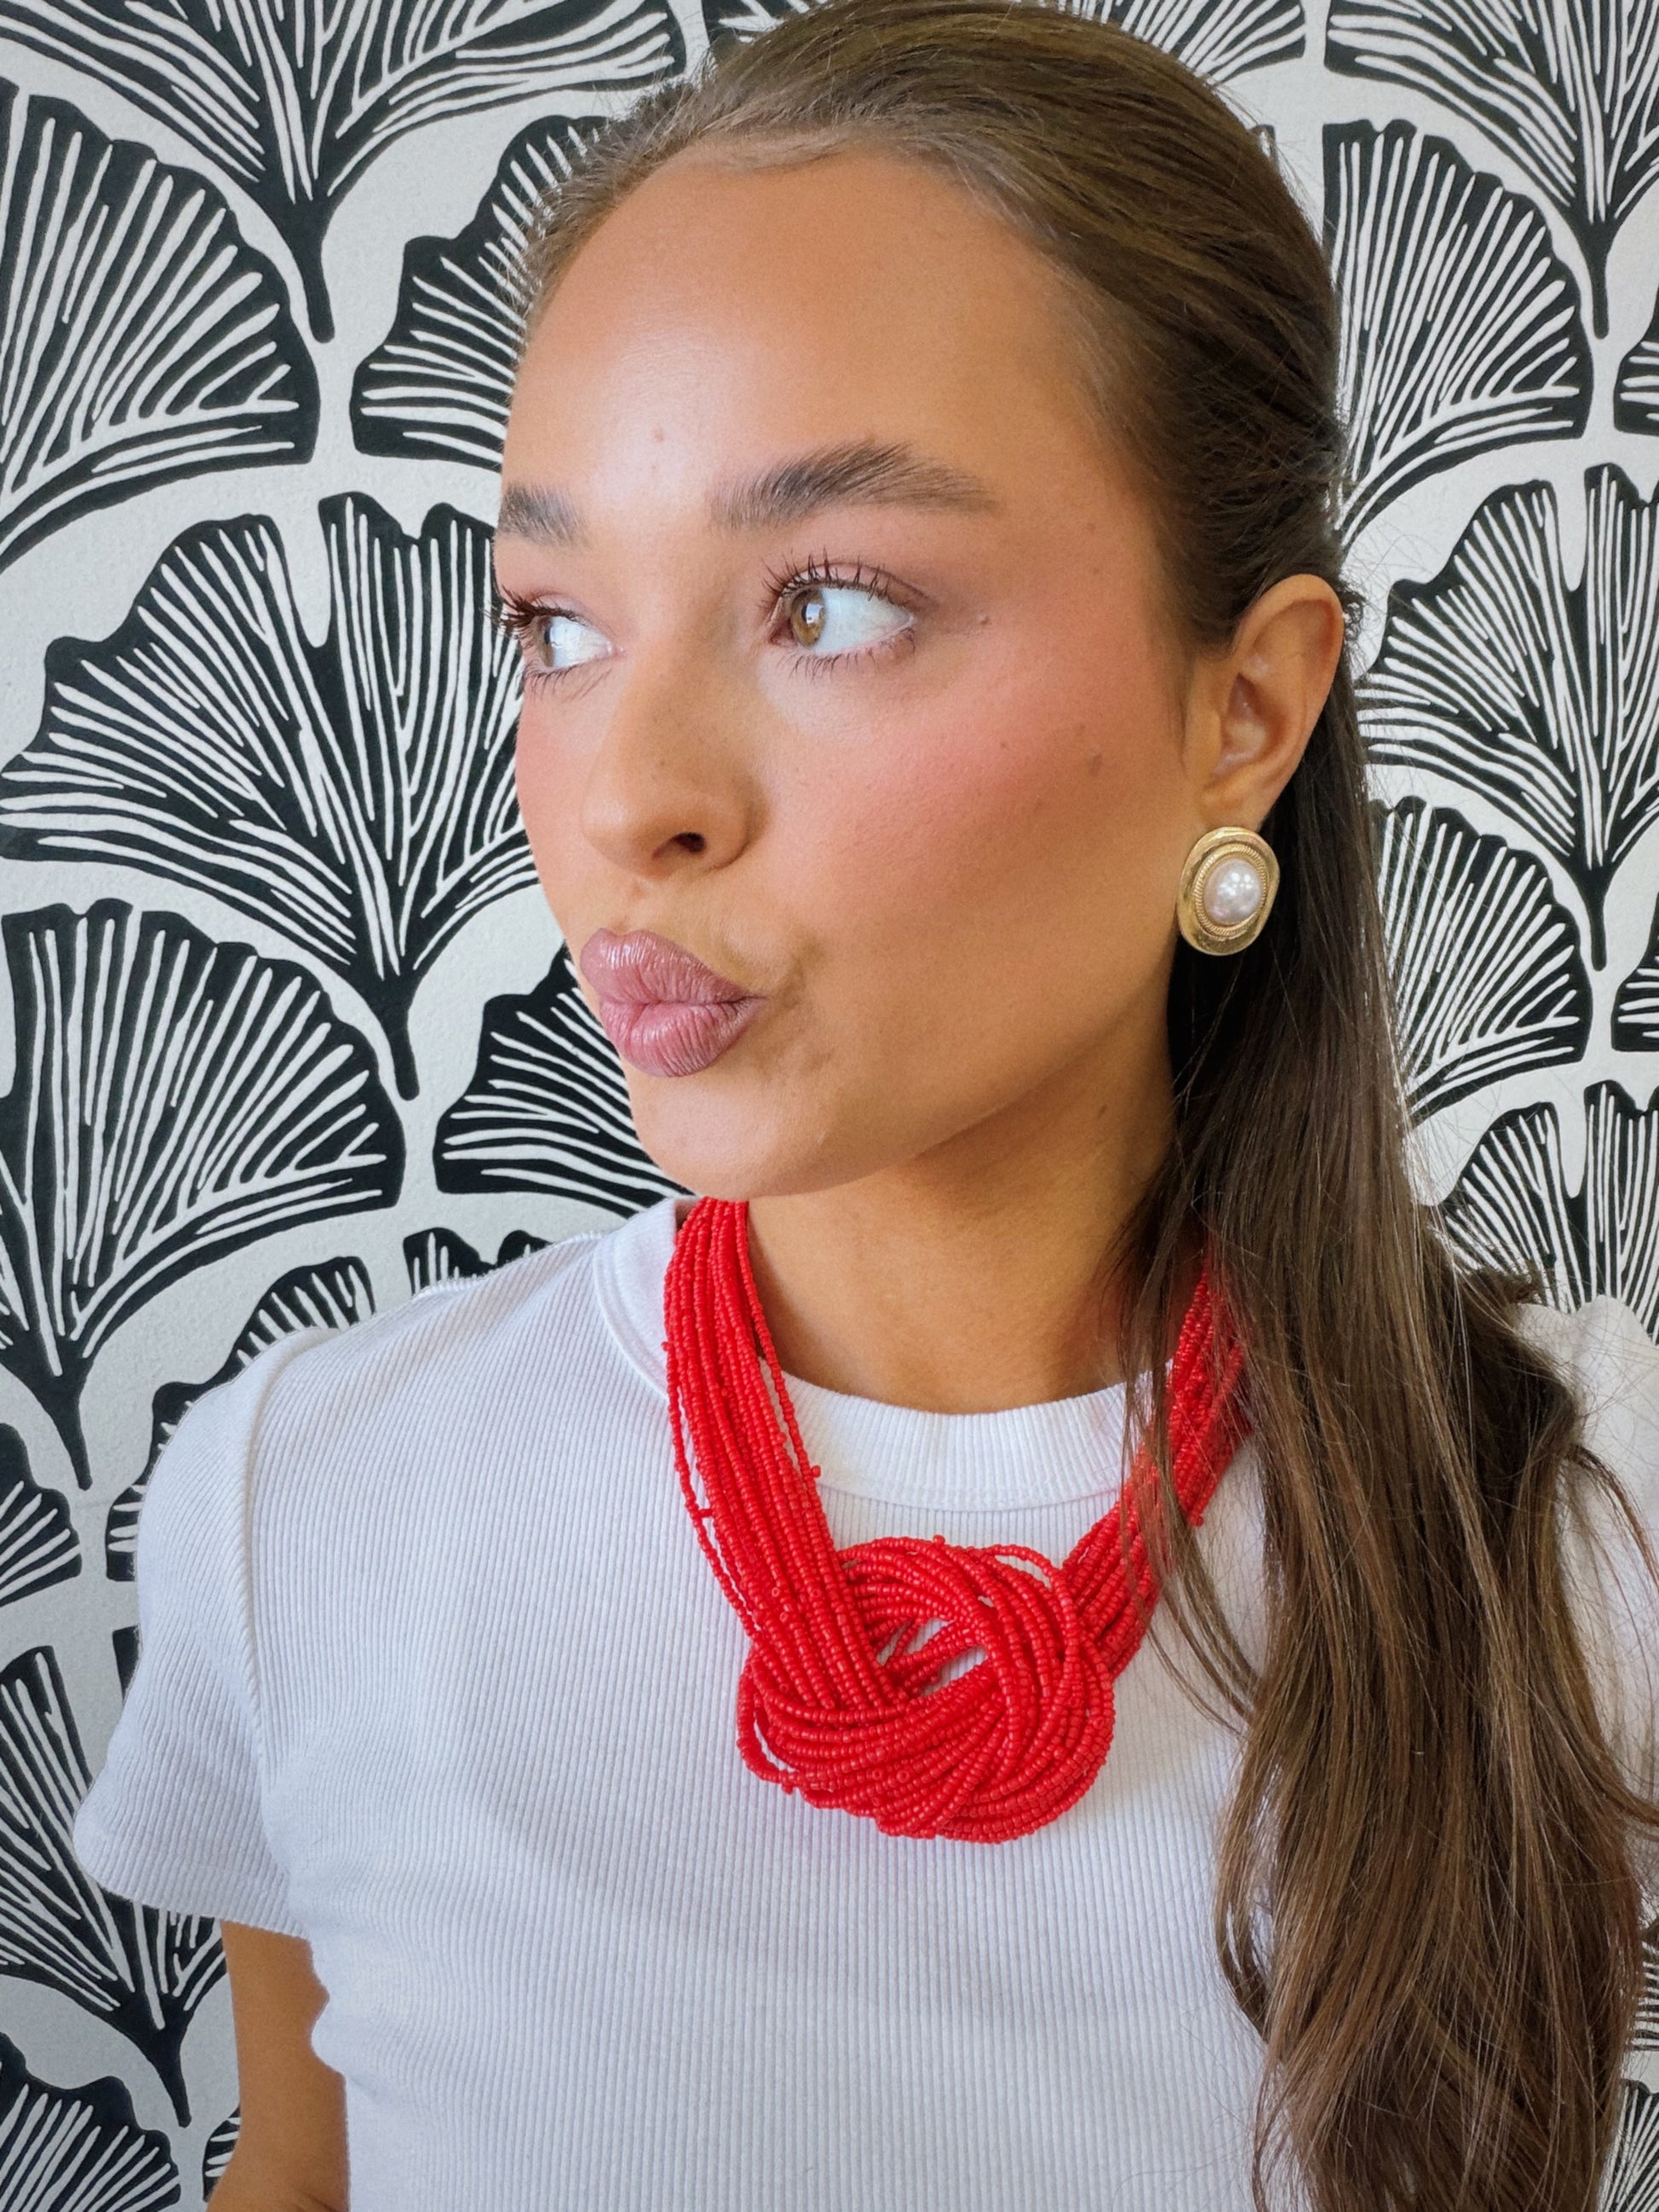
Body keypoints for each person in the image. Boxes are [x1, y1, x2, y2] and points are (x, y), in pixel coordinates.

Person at [70, 3, 1659, 2208]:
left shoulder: (1584, 1510)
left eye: (828, 603)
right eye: (554, 623)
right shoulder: (309, 1499)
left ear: (1245, 708)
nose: (625, 797)